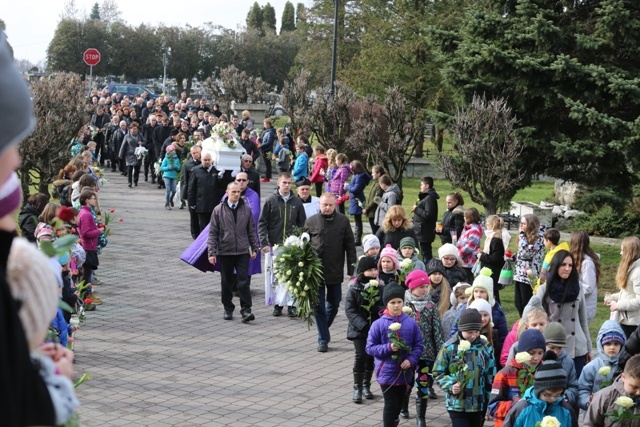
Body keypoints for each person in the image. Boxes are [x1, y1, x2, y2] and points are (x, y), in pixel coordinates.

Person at [366, 282, 424, 427]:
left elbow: (418, 345)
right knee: (391, 404)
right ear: (386, 304)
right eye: (392, 302)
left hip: (405, 372)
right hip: (386, 372)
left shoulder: (410, 323)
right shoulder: (378, 324)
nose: (396, 305)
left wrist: (411, 360)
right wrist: (389, 347)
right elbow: (370, 348)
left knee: (399, 404)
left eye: (399, 302)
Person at [306, 192, 357, 352]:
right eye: (324, 205)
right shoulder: (311, 221)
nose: (327, 208)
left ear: (335, 205)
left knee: (334, 304)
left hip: (335, 270)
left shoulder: (342, 221)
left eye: (330, 205)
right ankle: (323, 339)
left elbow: (350, 246)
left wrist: (352, 269)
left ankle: (323, 328)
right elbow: (302, 245)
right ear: (319, 205)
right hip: (316, 271)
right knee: (318, 306)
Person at [434, 308, 496, 427]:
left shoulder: (485, 346)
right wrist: (450, 385)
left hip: (479, 403)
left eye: (476, 331)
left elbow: (491, 375)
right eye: (469, 332)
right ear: (461, 329)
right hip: (457, 404)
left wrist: (490, 401)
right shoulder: (449, 347)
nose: (473, 335)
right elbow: (438, 371)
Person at [208, 182, 259, 323]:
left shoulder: (246, 209)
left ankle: (246, 310)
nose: (237, 194)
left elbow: (251, 230)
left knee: (243, 281)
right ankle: (228, 308)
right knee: (226, 282)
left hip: (242, 251)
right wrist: (212, 252)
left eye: (239, 192)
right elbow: (213, 233)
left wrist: (254, 248)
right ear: (227, 192)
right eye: (234, 192)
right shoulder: (218, 210)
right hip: (225, 251)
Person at [536, 250, 593, 378]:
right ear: (556, 265)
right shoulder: (544, 289)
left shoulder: (578, 287)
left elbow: (583, 320)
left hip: (577, 348)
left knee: (574, 387)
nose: (567, 269)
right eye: (563, 265)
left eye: (570, 265)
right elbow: (532, 316)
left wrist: (589, 348)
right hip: (555, 347)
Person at [259, 173, 307, 317]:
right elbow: (262, 223)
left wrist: (300, 241)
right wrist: (264, 242)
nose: (287, 185)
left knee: (292, 275)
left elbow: (302, 223)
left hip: (292, 245)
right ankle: (278, 304)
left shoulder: (296, 202)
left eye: (289, 183)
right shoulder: (271, 200)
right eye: (284, 182)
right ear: (278, 183)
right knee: (277, 276)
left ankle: (292, 304)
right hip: (275, 244)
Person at [405, 270, 445, 421]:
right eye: (421, 287)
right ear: (412, 288)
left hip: (426, 353)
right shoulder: (405, 306)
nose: (424, 290)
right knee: (407, 383)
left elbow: (437, 330)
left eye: (426, 286)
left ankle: (421, 417)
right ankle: (403, 407)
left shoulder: (431, 306)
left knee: (422, 383)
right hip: (408, 354)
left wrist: (440, 351)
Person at [489, 329, 547, 427]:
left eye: (540, 353)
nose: (536, 358)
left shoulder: (545, 372)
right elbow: (493, 408)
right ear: (522, 352)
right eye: (531, 353)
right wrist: (516, 405)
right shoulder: (504, 374)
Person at [345, 256, 383, 404]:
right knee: (361, 355)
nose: (374, 272)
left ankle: (367, 385)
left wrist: (375, 309)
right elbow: (350, 310)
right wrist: (362, 324)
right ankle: (357, 387)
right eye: (370, 270)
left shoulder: (379, 287)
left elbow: (383, 305)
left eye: (375, 269)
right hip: (359, 329)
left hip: (374, 329)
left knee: (371, 357)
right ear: (362, 272)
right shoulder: (354, 288)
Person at [502, 355, 578, 427]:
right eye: (548, 394)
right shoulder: (521, 409)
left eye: (558, 394)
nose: (553, 398)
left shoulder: (566, 410)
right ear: (538, 390)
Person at [578, 320, 626, 413]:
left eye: (616, 344)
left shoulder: (626, 366)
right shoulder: (591, 367)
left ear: (622, 345)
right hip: (595, 412)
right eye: (608, 344)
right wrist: (588, 401)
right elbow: (582, 390)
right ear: (601, 344)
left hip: (619, 413)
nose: (612, 347)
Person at [584, 354, 640, 427]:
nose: (639, 392)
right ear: (623, 377)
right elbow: (590, 423)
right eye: (634, 387)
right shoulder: (604, 396)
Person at [606, 236, 640, 339]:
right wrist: (612, 297)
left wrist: (618, 305)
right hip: (626, 321)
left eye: (622, 250)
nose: (620, 253)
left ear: (630, 252)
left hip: (633, 324)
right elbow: (628, 293)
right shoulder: (631, 268)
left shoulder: (638, 272)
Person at [541, 322, 580, 411]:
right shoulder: (538, 360)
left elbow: (574, 386)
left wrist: (566, 395)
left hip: (560, 406)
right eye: (552, 348)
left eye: (559, 348)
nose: (555, 352)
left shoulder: (568, 362)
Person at [514, 213, 545, 316]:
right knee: (518, 303)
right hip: (519, 274)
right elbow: (521, 254)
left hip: (529, 275)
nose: (521, 226)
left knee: (526, 303)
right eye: (520, 223)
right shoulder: (525, 237)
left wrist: (522, 235)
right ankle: (522, 323)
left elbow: (526, 253)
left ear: (531, 225)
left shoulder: (539, 238)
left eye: (524, 223)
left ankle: (528, 323)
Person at [570, 231, 600, 324]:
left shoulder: (587, 263)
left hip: (585, 308)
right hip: (578, 305)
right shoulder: (578, 259)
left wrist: (570, 290)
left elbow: (588, 287)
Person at [187, 152, 224, 228]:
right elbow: (191, 189)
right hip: (201, 205)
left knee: (214, 226)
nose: (207, 162)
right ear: (201, 160)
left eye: (208, 160)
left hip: (214, 204)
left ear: (212, 160)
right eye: (205, 160)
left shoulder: (216, 170)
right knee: (203, 226)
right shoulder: (195, 170)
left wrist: (221, 177)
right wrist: (191, 203)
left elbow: (222, 187)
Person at [412, 176, 439, 262]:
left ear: (427, 186)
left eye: (422, 185)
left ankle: (429, 270)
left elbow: (429, 215)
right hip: (422, 230)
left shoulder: (429, 198)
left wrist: (416, 209)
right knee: (424, 252)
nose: (420, 187)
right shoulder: (426, 197)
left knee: (426, 253)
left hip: (425, 231)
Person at [345, 160, 371, 246]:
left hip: (357, 200)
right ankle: (357, 238)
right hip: (356, 199)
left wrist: (347, 186)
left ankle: (357, 239)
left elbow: (356, 189)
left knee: (358, 219)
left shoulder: (359, 177)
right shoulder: (357, 176)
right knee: (357, 219)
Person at [456, 207, 484, 282]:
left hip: (468, 262)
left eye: (465, 217)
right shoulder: (467, 228)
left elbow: (470, 246)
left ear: (469, 218)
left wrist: (458, 255)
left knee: (467, 281)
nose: (463, 218)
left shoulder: (474, 230)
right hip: (463, 261)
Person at [180, 145, 202, 237]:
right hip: (192, 193)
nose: (195, 155)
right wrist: (183, 195)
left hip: (201, 193)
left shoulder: (204, 162)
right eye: (193, 153)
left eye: (197, 152)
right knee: (193, 215)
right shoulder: (187, 164)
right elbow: (184, 180)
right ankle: (194, 233)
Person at [118, 123, 144, 188]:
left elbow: (145, 142)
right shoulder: (127, 136)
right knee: (129, 168)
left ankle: (135, 181)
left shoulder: (140, 135)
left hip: (138, 154)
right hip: (129, 154)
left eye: (136, 129)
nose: (135, 130)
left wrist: (142, 143)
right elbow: (123, 145)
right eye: (133, 129)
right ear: (130, 129)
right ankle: (129, 182)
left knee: (137, 168)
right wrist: (120, 154)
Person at [363, 165, 385, 235]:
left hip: (374, 211)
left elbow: (376, 199)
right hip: (371, 211)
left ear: (378, 173)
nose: (371, 174)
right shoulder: (375, 183)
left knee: (376, 232)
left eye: (373, 173)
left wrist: (366, 208)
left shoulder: (379, 184)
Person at [160, 145, 181, 210]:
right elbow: (162, 168)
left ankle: (170, 199)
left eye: (173, 151)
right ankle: (167, 203)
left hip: (174, 176)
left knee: (174, 190)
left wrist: (175, 167)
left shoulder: (176, 159)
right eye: (170, 151)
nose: (172, 152)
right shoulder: (166, 159)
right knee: (168, 190)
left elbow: (179, 168)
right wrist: (168, 167)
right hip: (167, 176)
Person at [259, 118, 276, 182]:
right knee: (267, 164)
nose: (264, 125)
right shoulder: (268, 132)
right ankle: (267, 175)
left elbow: (269, 142)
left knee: (268, 164)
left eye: (265, 124)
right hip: (266, 150)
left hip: (268, 151)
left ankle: (267, 177)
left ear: (268, 124)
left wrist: (261, 146)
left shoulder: (270, 132)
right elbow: (264, 140)